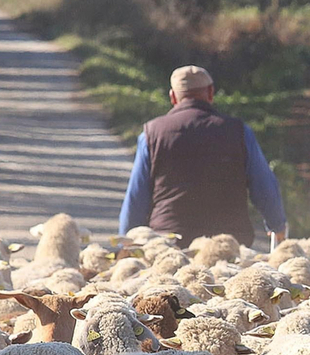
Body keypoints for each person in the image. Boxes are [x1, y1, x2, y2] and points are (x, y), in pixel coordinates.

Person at [118, 65, 287, 245]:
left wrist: (126, 243)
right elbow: (264, 186)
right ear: (211, 93)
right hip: (229, 246)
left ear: (173, 97)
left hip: (169, 245)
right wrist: (277, 226)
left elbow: (136, 198)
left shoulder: (152, 134)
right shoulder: (239, 132)